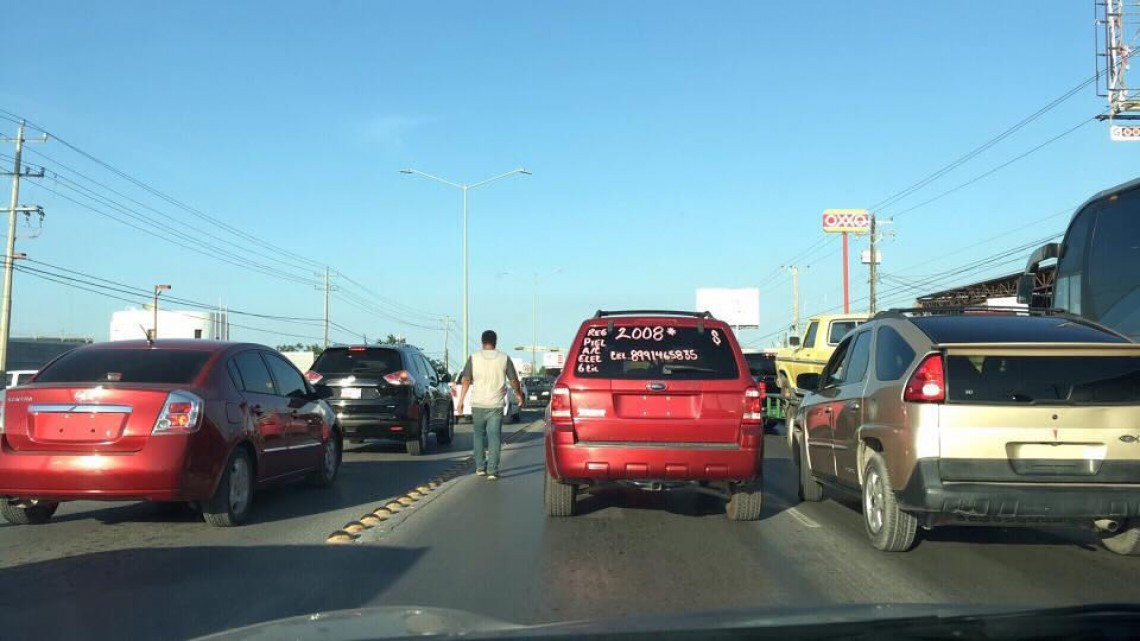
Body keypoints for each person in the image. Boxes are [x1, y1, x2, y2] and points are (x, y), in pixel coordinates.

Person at [457, 329, 524, 480]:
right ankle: (492, 470)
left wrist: (461, 402)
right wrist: (519, 395)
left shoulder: (473, 358)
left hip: (478, 403)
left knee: (478, 436)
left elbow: (466, 379)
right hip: (495, 404)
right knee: (494, 437)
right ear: (496, 342)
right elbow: (514, 380)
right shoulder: (504, 358)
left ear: (482, 342)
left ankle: (480, 467)